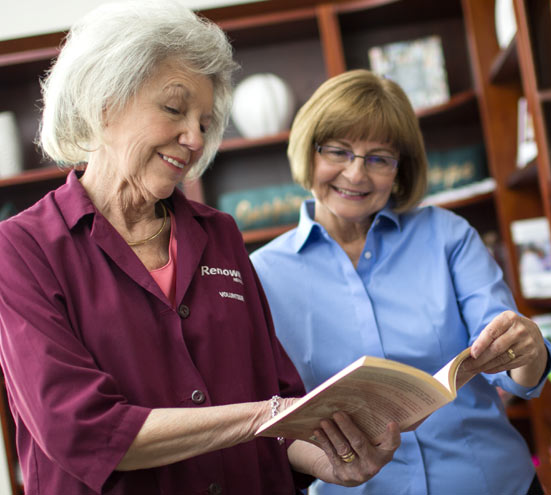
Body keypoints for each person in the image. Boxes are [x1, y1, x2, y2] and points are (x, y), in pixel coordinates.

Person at [0, 3, 400, 494]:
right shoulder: (21, 250)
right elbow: (81, 429)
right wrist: (263, 416)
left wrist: (332, 461)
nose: (193, 138)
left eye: (206, 122)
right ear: (103, 105)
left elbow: (280, 405)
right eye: (173, 108)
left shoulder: (220, 235)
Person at [251, 69, 551, 495]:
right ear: (310, 153)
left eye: (378, 158)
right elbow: (264, 418)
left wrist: (528, 348)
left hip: (492, 483)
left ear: (400, 170)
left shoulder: (448, 236)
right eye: (338, 151)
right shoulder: (259, 274)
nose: (356, 175)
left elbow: (515, 374)